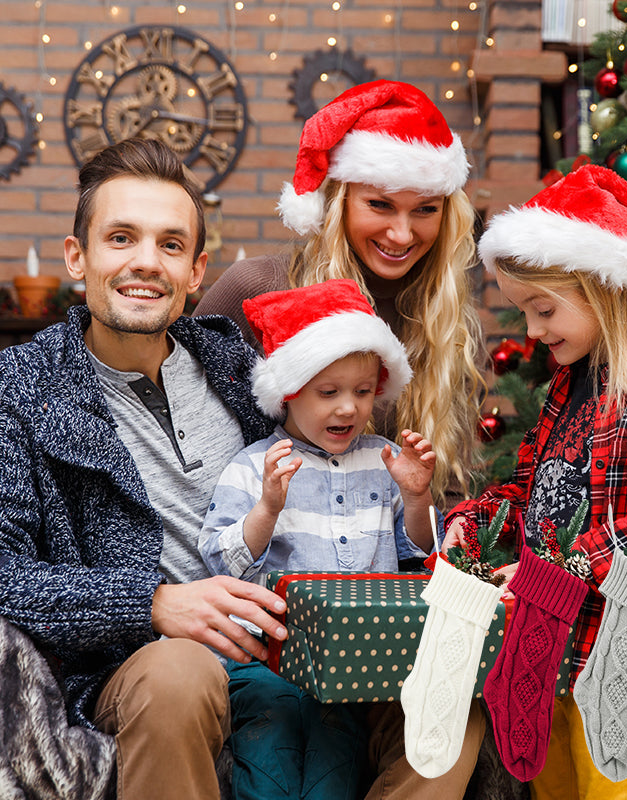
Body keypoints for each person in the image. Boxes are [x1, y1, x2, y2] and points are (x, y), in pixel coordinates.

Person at [0, 137, 290, 800]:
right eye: (121, 237)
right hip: (134, 670)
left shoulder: (242, 372)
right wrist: (152, 605)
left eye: (169, 244)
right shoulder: (21, 388)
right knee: (179, 675)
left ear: (196, 271)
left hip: (275, 651)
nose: (144, 263)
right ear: (79, 257)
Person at [443, 164, 627, 799]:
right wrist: (479, 519)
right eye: (525, 313)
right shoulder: (570, 389)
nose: (535, 331)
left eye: (543, 310)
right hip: (544, 644)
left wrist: (557, 570)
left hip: (612, 652)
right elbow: (532, 488)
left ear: (602, 288)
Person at [200, 278, 443, 800]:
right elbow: (221, 561)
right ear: (288, 392)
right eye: (327, 393)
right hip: (267, 660)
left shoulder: (384, 460)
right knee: (268, 763)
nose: (348, 409)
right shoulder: (254, 466)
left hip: (359, 664)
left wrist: (418, 499)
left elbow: (423, 558)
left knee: (335, 770)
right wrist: (267, 508)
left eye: (362, 392)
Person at [194, 79, 485, 512]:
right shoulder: (256, 287)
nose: (402, 234)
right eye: (380, 205)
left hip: (393, 574)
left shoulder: (448, 327)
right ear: (339, 201)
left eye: (425, 209)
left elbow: (450, 490)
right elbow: (180, 426)